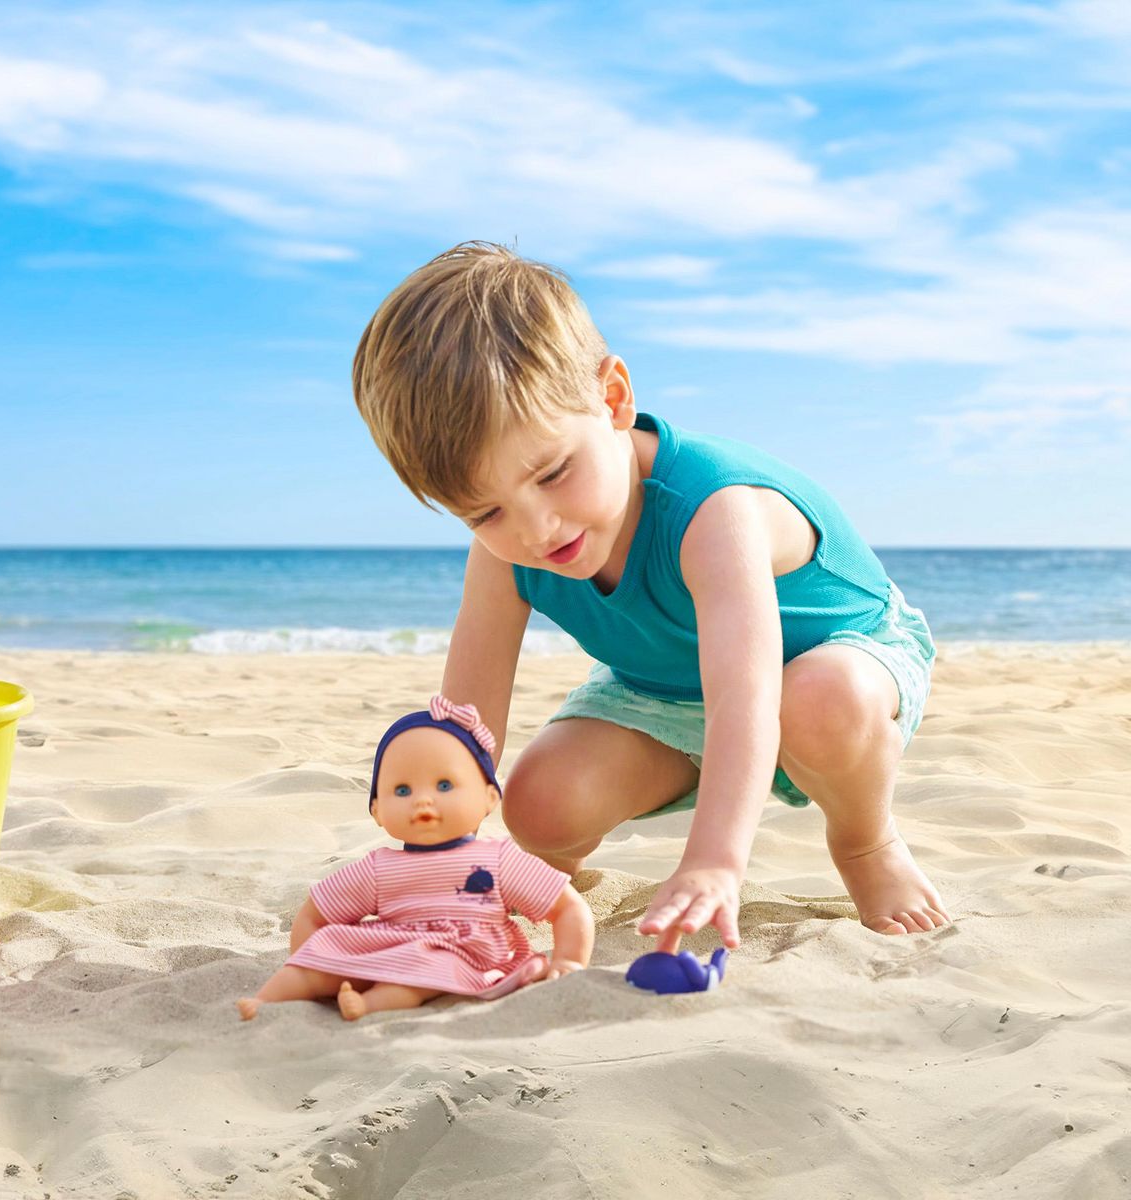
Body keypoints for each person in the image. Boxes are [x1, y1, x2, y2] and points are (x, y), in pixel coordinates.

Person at [352, 241, 950, 956]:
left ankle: (867, 843)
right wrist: (436, 866)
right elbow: (466, 723)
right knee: (538, 806)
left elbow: (745, 701)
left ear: (612, 400)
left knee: (820, 701)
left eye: (553, 474)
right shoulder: (504, 552)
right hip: (666, 685)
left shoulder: (712, 511)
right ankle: (534, 881)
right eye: (485, 512)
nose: (537, 529)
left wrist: (713, 863)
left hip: (832, 665)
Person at [237, 695, 593, 1022]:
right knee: (321, 958)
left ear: (488, 797)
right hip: (394, 944)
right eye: (403, 790)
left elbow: (566, 907)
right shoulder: (380, 868)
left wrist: (569, 959)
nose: (423, 800)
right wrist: (310, 955)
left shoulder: (497, 859)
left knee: (421, 970)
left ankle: (369, 1004)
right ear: (377, 810)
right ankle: (266, 999)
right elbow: (317, 912)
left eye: (444, 785)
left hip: (464, 953)